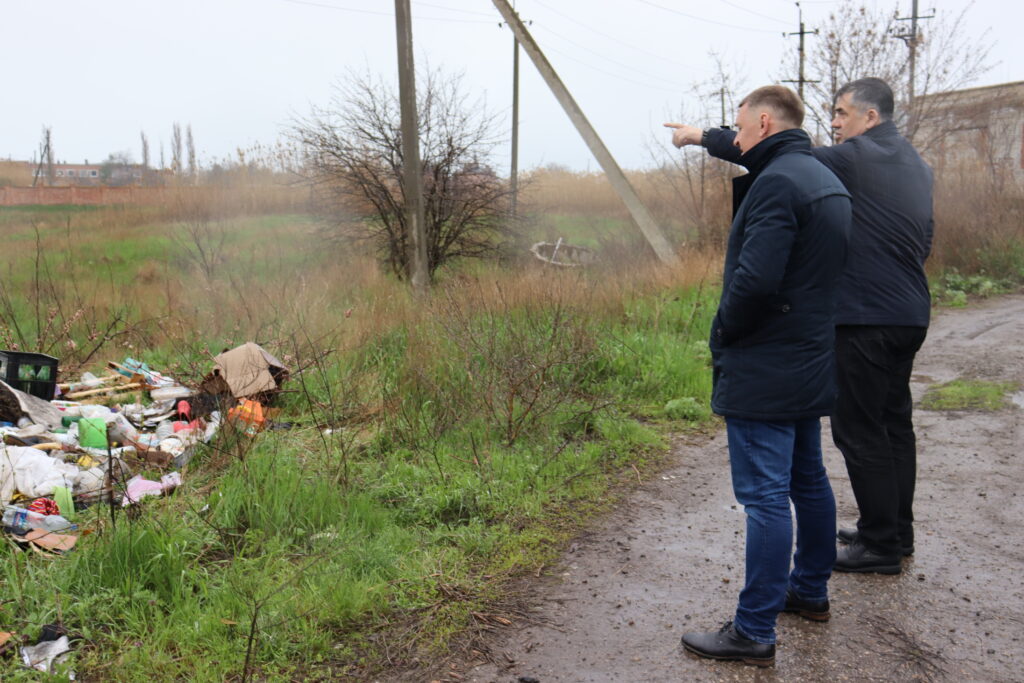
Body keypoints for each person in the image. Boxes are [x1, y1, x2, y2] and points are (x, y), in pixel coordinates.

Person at [667, 78, 934, 575]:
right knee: (895, 423)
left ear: (870, 119)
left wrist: (701, 135)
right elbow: (926, 237)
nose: (834, 123)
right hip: (909, 310)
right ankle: (896, 530)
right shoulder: (918, 165)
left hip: (864, 317)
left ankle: (879, 545)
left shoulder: (854, 158)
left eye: (842, 113)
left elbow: (774, 153)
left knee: (859, 429)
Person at [672, 85, 851, 667]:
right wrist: (703, 136)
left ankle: (753, 631)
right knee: (808, 480)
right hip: (806, 354)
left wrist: (723, 332)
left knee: (766, 498)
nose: (738, 137)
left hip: (766, 361)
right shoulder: (822, 175)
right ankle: (810, 591)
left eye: (741, 128)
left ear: (766, 122)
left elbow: (755, 281)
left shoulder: (776, 183)